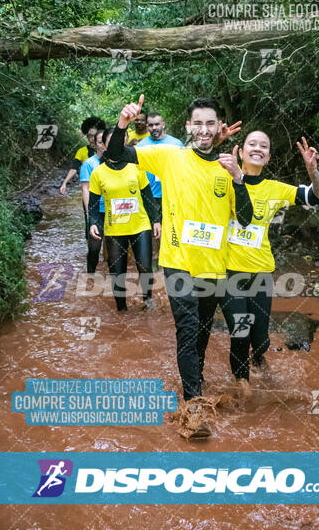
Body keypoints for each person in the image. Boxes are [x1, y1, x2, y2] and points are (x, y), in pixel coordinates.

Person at [106, 94, 250, 438]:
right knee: (186, 330)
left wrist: (239, 178)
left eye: (209, 123)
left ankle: (194, 380)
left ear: (218, 128)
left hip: (214, 267)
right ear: (188, 127)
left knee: (200, 334)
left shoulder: (228, 165)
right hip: (178, 263)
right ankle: (193, 409)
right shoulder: (170, 156)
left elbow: (244, 220)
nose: (203, 129)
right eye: (197, 123)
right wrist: (123, 123)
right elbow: (115, 154)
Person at [208, 131, 319, 391]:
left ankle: (258, 355)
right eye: (252, 144)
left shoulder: (275, 189)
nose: (258, 149)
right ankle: (243, 387)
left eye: (264, 146)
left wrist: (312, 171)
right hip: (228, 273)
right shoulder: (220, 179)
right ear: (240, 152)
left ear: (269, 156)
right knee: (240, 333)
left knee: (260, 339)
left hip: (261, 273)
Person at [88, 128, 161, 312]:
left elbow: (148, 197)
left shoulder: (137, 167)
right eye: (111, 142)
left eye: (120, 141)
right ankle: (121, 309)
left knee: (145, 266)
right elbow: (94, 205)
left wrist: (156, 220)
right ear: (104, 145)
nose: (116, 145)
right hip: (114, 230)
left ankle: (148, 301)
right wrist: (93, 224)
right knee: (117, 273)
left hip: (140, 226)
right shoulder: (98, 173)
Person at [138, 112, 183, 270]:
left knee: (173, 229)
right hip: (149, 195)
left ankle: (171, 263)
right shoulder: (141, 146)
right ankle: (155, 264)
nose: (154, 128)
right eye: (150, 125)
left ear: (163, 124)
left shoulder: (177, 144)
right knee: (152, 231)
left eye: (157, 124)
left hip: (171, 194)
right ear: (147, 126)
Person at [80, 127, 108, 273]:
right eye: (100, 142)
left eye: (105, 142)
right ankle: (90, 274)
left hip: (114, 210)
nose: (103, 145)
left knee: (114, 247)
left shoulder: (117, 162)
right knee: (95, 246)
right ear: (95, 144)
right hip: (96, 209)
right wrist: (89, 215)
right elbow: (86, 189)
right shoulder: (89, 164)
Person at [59, 117, 106, 195]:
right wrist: (64, 183)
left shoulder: (106, 150)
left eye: (94, 136)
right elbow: (74, 168)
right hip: (88, 189)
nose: (91, 139)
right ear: (86, 135)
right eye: (89, 136)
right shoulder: (81, 152)